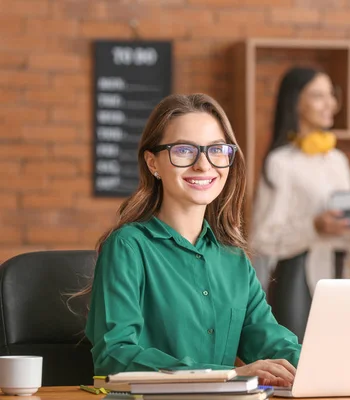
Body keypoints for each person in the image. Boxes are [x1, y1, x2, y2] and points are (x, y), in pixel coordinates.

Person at [81, 93, 301, 386]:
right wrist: (229, 375)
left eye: (217, 150)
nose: (203, 165)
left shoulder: (233, 259)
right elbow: (115, 355)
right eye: (184, 151)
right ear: (153, 163)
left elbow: (270, 341)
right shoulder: (127, 247)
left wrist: (325, 366)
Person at [250, 67, 350, 342]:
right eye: (318, 96)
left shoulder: (337, 160)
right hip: (297, 281)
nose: (331, 104)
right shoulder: (281, 163)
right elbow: (261, 238)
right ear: (295, 103)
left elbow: (347, 237)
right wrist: (314, 227)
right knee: (298, 371)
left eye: (331, 95)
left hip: (341, 278)